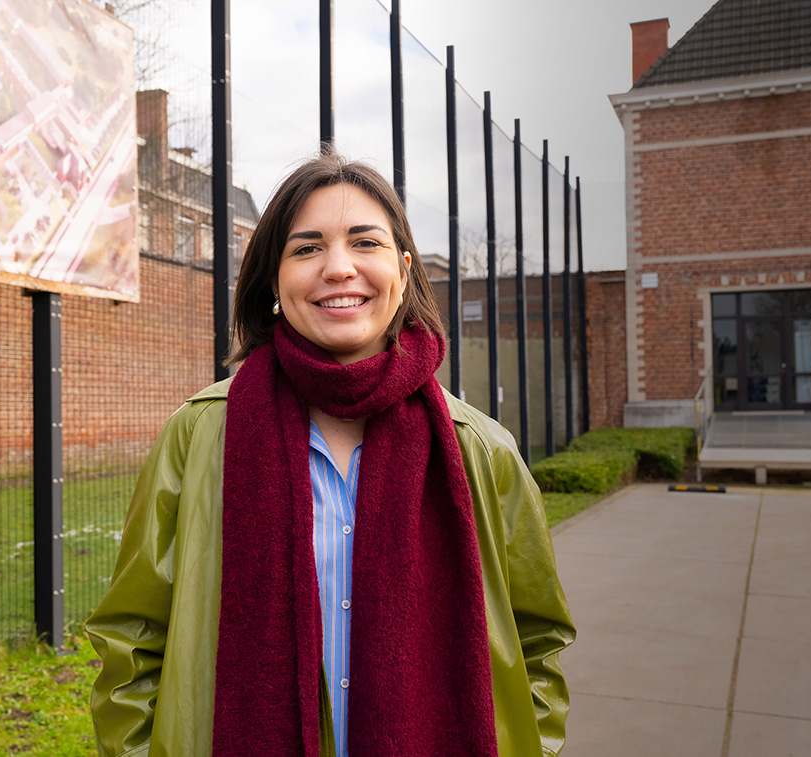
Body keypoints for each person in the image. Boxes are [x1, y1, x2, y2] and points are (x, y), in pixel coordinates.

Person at [86, 149, 575, 757]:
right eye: (307, 247)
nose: (339, 267)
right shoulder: (199, 435)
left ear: (402, 270)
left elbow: (537, 644)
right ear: (273, 280)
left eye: (364, 243)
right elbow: (132, 637)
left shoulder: (482, 450)